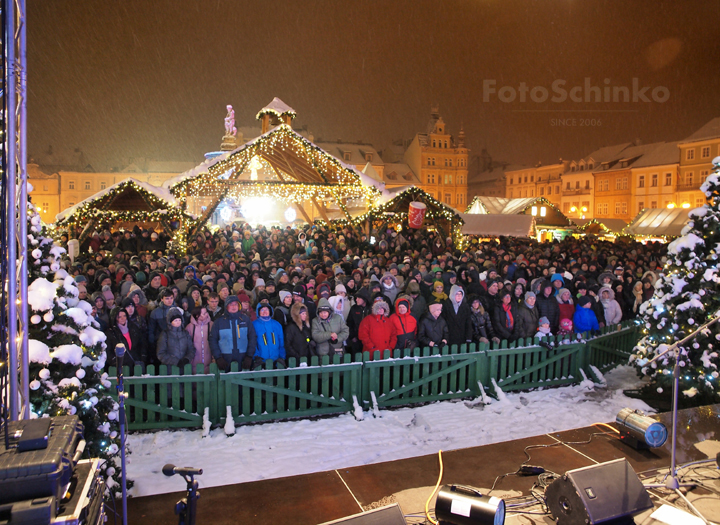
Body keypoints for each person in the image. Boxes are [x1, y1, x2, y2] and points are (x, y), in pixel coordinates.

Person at [209, 295, 257, 371]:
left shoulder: (245, 320)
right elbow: (213, 340)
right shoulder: (219, 322)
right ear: (226, 307)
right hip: (225, 359)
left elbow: (252, 338)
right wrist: (218, 357)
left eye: (236, 304)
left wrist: (249, 356)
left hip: (243, 358)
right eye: (231, 304)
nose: (234, 306)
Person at [253, 303, 286, 368]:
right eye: (262, 310)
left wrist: (282, 357)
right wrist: (256, 357)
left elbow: (281, 342)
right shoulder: (254, 325)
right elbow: (252, 342)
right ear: (258, 312)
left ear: (270, 311)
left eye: (267, 310)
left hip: (276, 361)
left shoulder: (277, 324)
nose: (265, 312)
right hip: (260, 362)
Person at [186, 306, 214, 374]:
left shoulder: (211, 325)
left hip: (209, 362)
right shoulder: (190, 327)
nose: (206, 314)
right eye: (204, 313)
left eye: (206, 312)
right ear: (197, 315)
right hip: (194, 363)